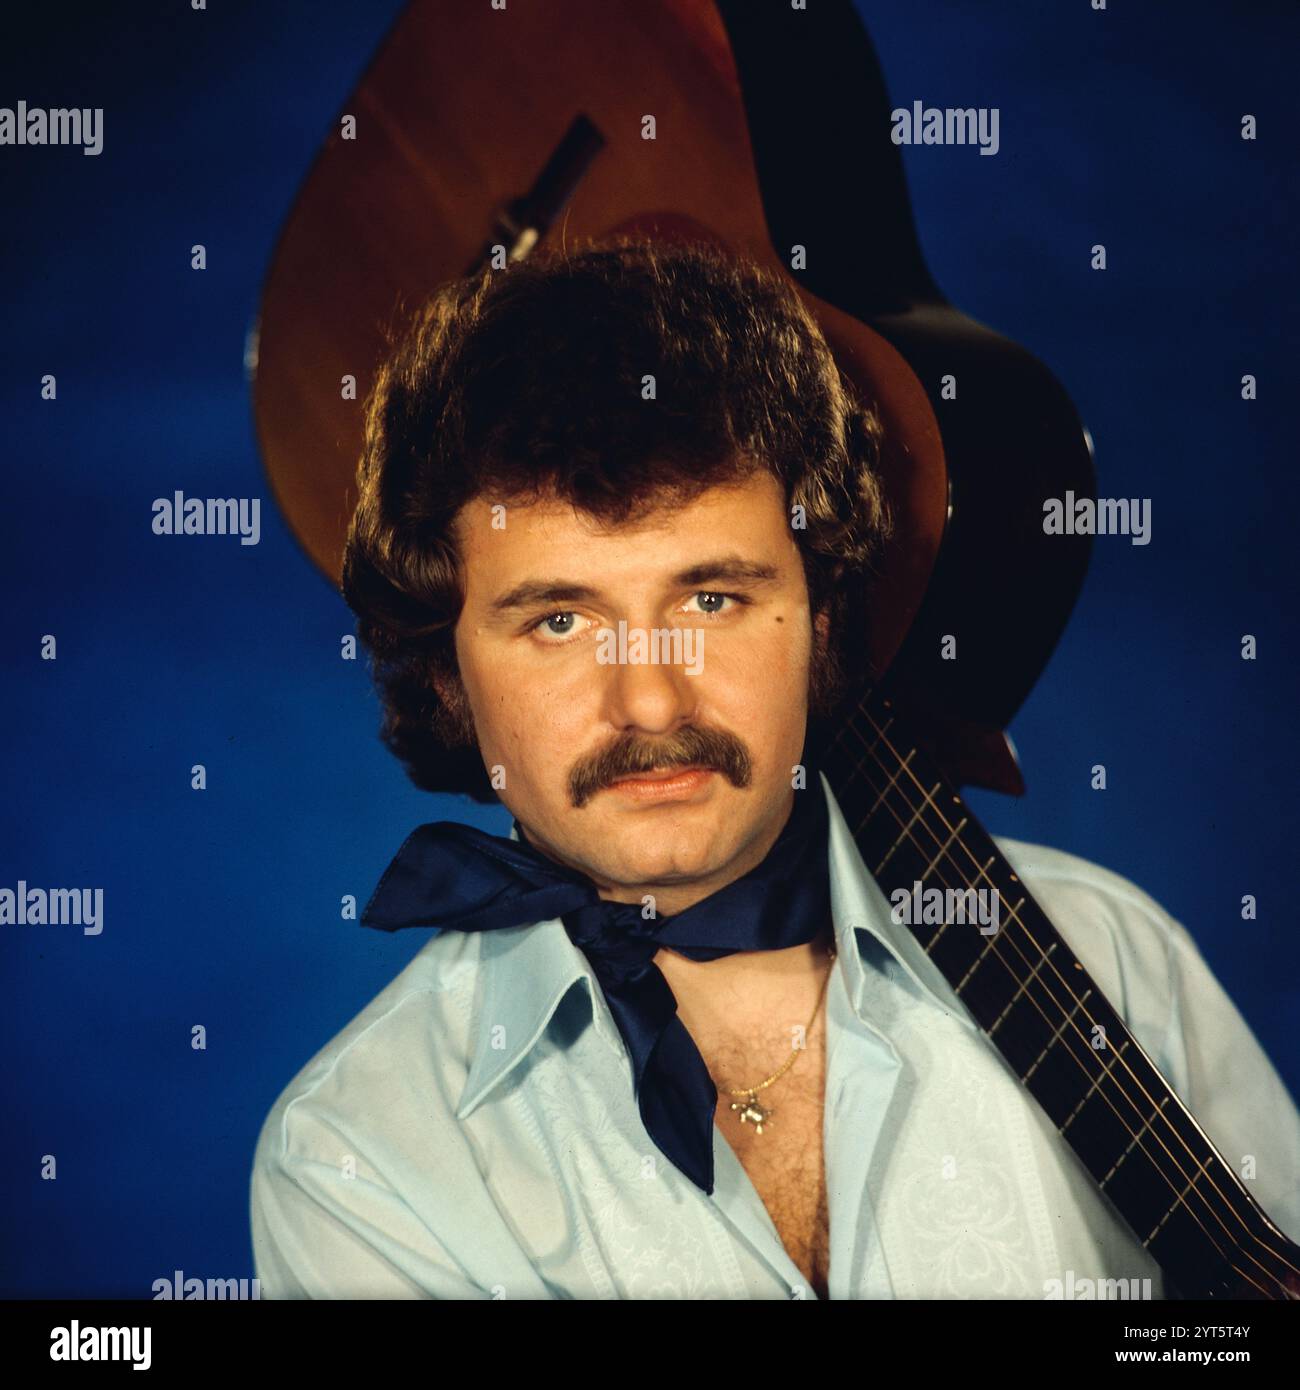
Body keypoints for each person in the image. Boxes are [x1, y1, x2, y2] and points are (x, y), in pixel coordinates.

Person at [249, 238, 1300, 1299]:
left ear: (820, 618)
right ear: (446, 677)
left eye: (713, 600)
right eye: (560, 620)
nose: (651, 701)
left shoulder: (1111, 959)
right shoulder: (354, 1159)